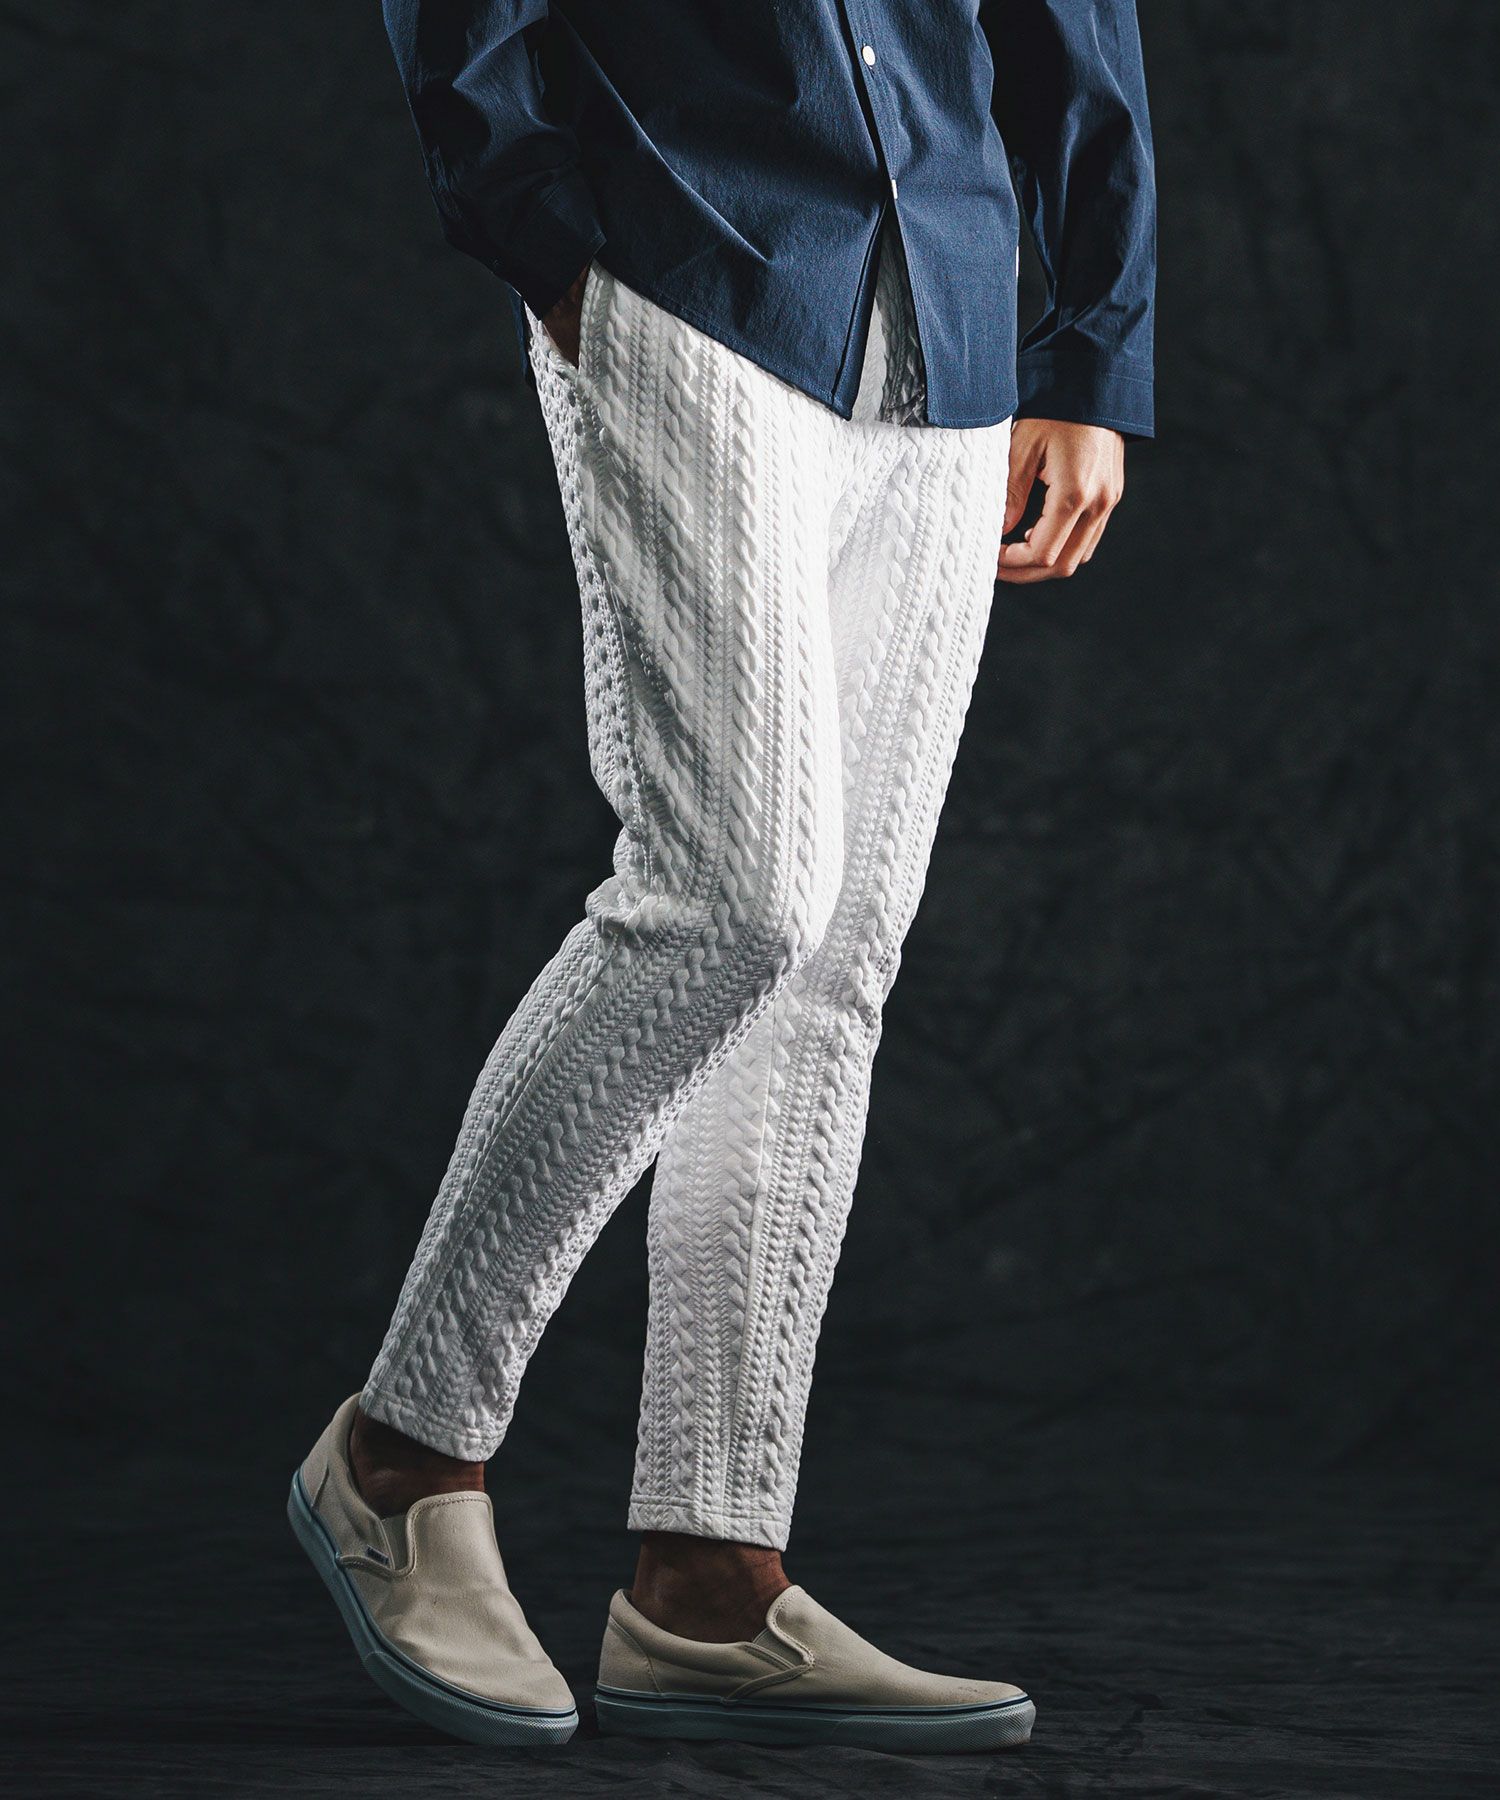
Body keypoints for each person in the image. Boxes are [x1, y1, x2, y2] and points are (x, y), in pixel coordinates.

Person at [289, 0, 1155, 1752]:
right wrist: (545, 237)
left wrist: (1093, 348)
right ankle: (403, 1452)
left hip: (954, 303)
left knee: (831, 960)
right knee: (734, 896)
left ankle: (709, 1579)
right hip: (689, 251)